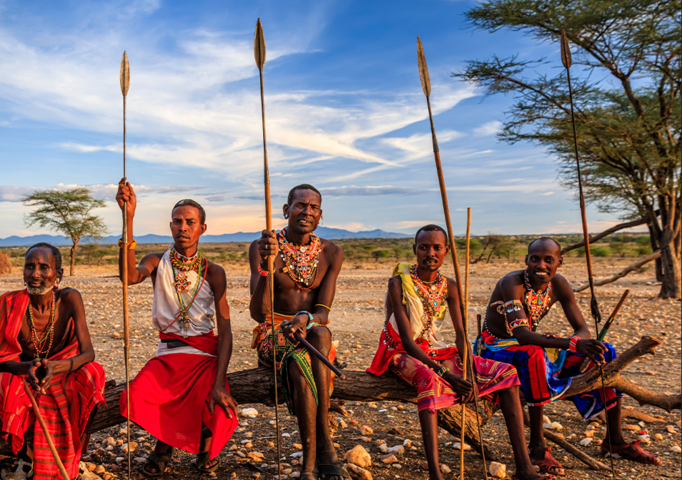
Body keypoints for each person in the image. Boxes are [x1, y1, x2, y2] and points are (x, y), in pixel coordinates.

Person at [367, 226, 547, 480]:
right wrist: (446, 374)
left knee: (506, 372)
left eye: (436, 247)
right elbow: (407, 340)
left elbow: (461, 335)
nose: (430, 253)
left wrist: (471, 373)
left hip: (435, 348)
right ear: (415, 250)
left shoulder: (449, 286)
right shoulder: (398, 282)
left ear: (446, 251)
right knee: (429, 378)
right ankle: (435, 474)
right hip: (399, 350)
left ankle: (524, 467)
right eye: (423, 247)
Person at [476, 237, 661, 475]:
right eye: (535, 259)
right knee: (533, 355)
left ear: (559, 262)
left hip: (533, 342)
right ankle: (537, 446)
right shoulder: (511, 283)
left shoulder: (559, 285)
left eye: (548, 260)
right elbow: (522, 335)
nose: (540, 265)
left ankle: (614, 439)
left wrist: (578, 342)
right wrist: (571, 343)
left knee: (606, 351)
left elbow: (582, 329)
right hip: (496, 347)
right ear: (526, 261)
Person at [115, 179, 238, 477]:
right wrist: (128, 218)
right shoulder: (157, 262)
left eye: (190, 222)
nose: (183, 227)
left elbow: (226, 330)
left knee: (214, 403)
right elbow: (129, 276)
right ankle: (165, 445)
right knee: (134, 396)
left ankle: (199, 447)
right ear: (170, 226)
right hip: (169, 355)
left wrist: (220, 382)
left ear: (202, 229)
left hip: (204, 355)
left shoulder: (215, 273)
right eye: (177, 221)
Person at [248, 184, 348, 480]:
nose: (307, 211)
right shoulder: (263, 246)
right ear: (286, 210)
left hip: (310, 331)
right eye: (300, 205)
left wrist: (305, 317)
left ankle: (313, 461)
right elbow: (259, 313)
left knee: (319, 336)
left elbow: (323, 312)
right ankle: (322, 452)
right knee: (298, 361)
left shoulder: (332, 252)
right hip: (273, 333)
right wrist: (267, 266)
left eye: (313, 207)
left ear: (320, 214)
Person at [0, 242, 106, 479]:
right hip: (25, 373)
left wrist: (57, 367)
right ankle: (25, 455)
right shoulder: (9, 302)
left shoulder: (70, 298)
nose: (35, 274)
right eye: (29, 267)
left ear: (58, 275)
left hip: (64, 369)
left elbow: (87, 353)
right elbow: (0, 359)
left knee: (93, 373)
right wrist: (28, 368)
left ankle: (75, 453)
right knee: (2, 383)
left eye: (44, 267)